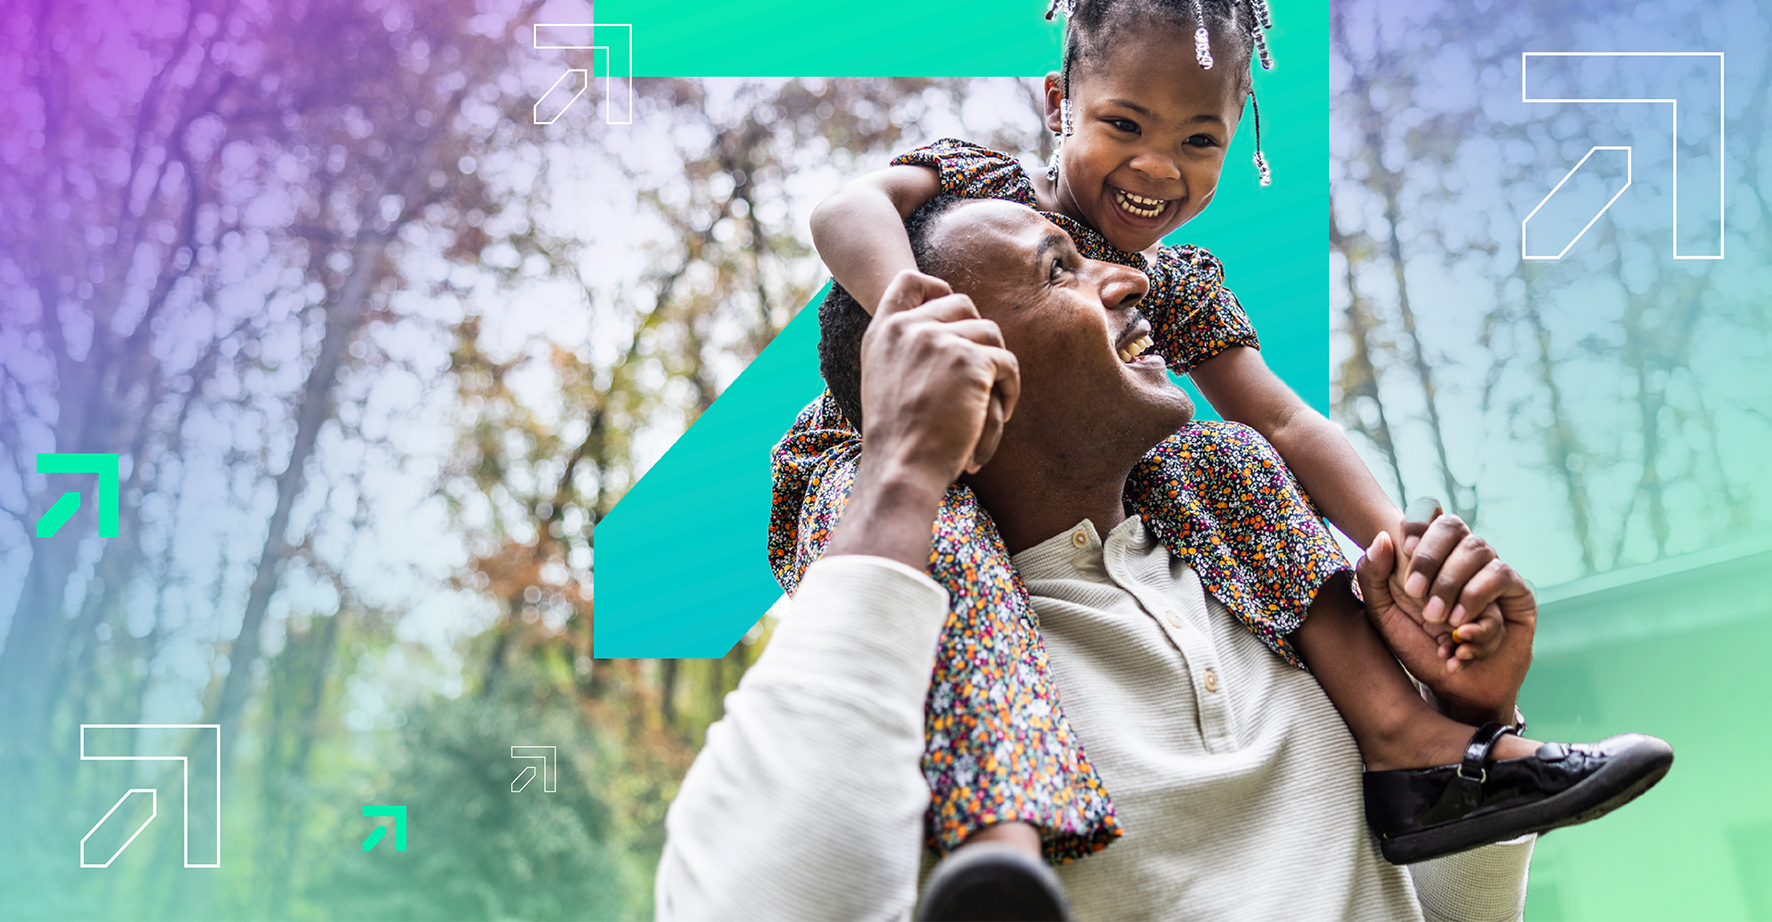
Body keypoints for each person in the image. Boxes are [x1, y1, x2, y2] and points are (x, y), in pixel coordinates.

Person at [771, 0, 1669, 875]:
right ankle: (998, 838)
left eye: (1199, 140)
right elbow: (844, 210)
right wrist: (911, 301)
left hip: (1099, 476)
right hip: (888, 453)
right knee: (947, 546)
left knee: (1231, 459)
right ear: (1057, 103)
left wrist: (1392, 549)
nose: (1160, 167)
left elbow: (1285, 423)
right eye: (1125, 124)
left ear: (1237, 136)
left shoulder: (1177, 285)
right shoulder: (981, 194)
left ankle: (1411, 746)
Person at [663, 202, 1670, 921]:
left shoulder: (1259, 575)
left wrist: (1472, 718)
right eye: (1059, 270)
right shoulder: (904, 669)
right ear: (952, 359)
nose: (1131, 274)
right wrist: (899, 464)